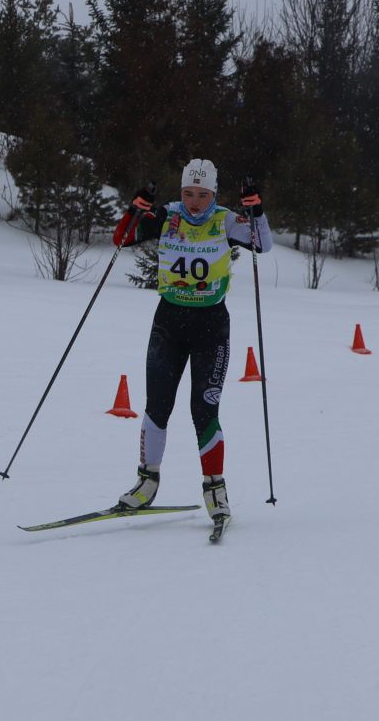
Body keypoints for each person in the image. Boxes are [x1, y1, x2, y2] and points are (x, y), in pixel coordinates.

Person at [113, 158, 269, 532]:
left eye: (202, 194)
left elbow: (262, 245)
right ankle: (146, 481)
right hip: (168, 323)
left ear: (214, 194)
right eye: (188, 193)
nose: (195, 202)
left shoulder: (226, 220)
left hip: (210, 328)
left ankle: (215, 490)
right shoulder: (167, 215)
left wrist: (257, 210)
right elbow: (122, 239)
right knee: (157, 404)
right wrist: (134, 210)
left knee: (204, 407)